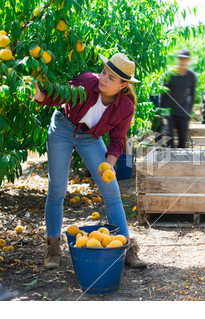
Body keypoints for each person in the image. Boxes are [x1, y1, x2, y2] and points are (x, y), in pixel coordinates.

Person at [34, 53, 147, 269]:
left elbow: (117, 140)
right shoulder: (87, 81)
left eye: (111, 78)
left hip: (89, 137)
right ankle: (53, 248)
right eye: (104, 72)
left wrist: (109, 165)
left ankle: (126, 248)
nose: (103, 78)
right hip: (63, 127)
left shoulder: (125, 108)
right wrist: (41, 95)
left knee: (111, 189)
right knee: (57, 188)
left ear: (123, 85)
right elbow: (57, 96)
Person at [160, 49, 196, 148]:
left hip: (183, 111)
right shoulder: (170, 74)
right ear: (178, 59)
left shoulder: (191, 76)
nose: (183, 61)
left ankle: (181, 161)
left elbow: (192, 95)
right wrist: (161, 112)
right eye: (181, 59)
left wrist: (189, 111)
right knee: (169, 136)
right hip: (169, 110)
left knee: (182, 139)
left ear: (188, 61)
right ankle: (170, 160)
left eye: (185, 59)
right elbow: (163, 93)